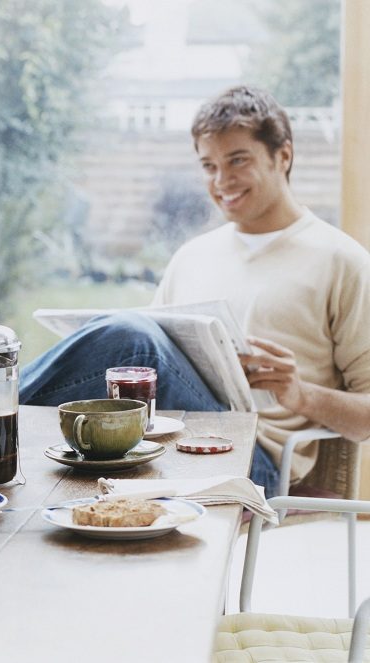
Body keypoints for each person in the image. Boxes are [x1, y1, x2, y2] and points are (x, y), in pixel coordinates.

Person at [20, 85, 370, 496]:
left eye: (238, 160)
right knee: (134, 350)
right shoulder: (193, 255)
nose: (222, 180)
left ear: (284, 156)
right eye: (208, 165)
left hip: (253, 460)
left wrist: (298, 394)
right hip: (166, 442)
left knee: (138, 345)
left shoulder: (340, 259)